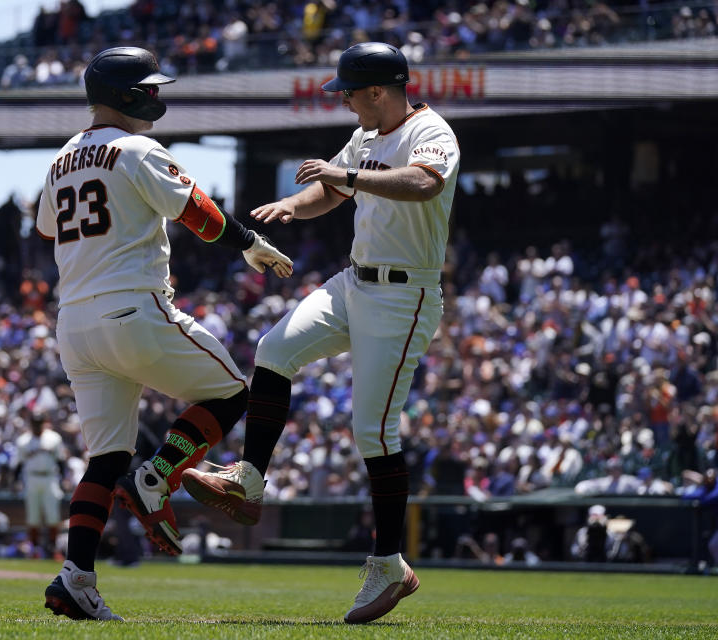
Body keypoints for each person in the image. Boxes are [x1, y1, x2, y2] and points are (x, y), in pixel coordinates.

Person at [183, 41, 459, 624]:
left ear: (379, 91)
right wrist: (294, 202)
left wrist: (348, 176)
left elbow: (424, 183)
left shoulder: (432, 130)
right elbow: (330, 191)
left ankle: (389, 564)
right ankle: (250, 479)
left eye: (351, 92)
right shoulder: (364, 137)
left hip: (404, 294)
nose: (346, 101)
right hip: (354, 281)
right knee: (273, 350)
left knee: (373, 432)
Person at [37, 46, 293, 622]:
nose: (155, 96)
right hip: (132, 309)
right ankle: (156, 477)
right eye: (147, 87)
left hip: (74, 322)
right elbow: (198, 212)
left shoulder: (60, 159)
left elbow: (46, 224)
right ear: (126, 94)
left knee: (104, 460)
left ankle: (76, 578)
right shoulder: (137, 147)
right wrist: (250, 243)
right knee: (232, 393)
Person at [14, 413, 68, 557]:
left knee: (53, 516)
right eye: (34, 423)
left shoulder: (54, 438)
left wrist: (63, 479)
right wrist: (15, 482)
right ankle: (35, 550)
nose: (37, 425)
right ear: (30, 424)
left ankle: (53, 548)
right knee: (33, 517)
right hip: (31, 478)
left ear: (44, 422)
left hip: (50, 477)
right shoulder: (23, 441)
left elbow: (61, 461)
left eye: (39, 422)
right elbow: (18, 465)